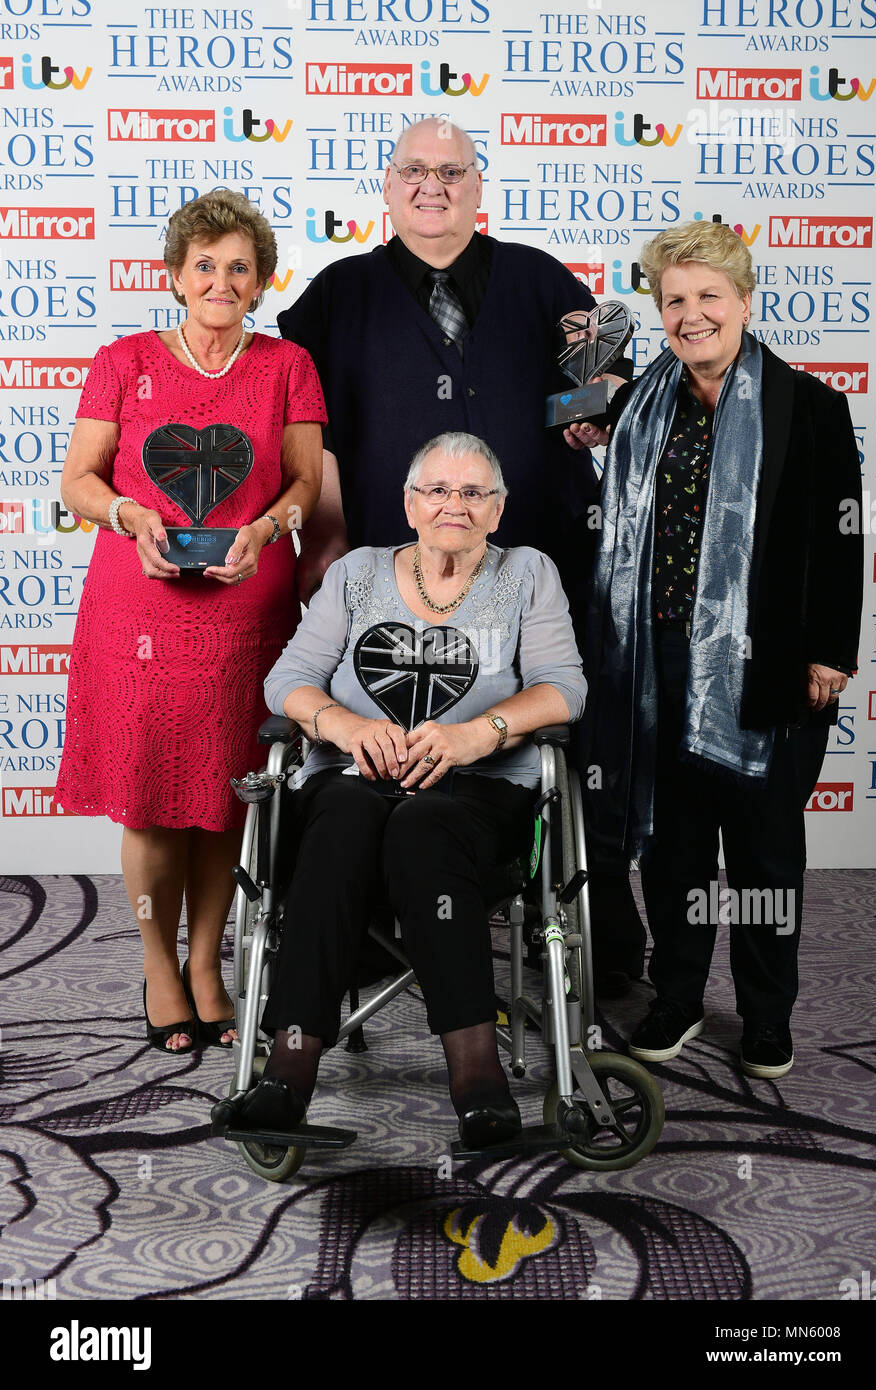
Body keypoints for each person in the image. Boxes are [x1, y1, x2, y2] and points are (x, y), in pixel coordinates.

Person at [278, 115, 645, 991]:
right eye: (413, 169)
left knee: (562, 737)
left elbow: (604, 386)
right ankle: (370, 927)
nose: (431, 185)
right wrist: (325, 535)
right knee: (386, 748)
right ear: (387, 185)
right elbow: (310, 436)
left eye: (452, 171)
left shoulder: (540, 279)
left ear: (480, 187)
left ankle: (602, 943)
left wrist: (598, 409)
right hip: (393, 580)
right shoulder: (335, 295)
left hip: (540, 562)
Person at [230, 432, 587, 1146]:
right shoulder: (358, 573)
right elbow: (287, 681)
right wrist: (344, 725)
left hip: (476, 794)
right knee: (343, 816)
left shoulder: (526, 573)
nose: (452, 505)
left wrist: (476, 734)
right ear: (408, 503)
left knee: (421, 826)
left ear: (497, 510)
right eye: (436, 490)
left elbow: (563, 690)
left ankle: (477, 1078)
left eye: (472, 493)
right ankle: (287, 1068)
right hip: (352, 782)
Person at [585, 220, 863, 1079]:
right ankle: (675, 995)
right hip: (654, 664)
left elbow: (840, 537)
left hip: (769, 665)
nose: (692, 314)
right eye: (675, 300)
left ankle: (766, 1012)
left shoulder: (808, 406)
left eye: (709, 296)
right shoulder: (634, 407)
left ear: (744, 300)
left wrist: (829, 654)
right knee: (673, 844)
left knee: (764, 849)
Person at [55, 189, 325, 1054]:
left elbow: (303, 488)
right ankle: (158, 965)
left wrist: (263, 528)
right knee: (147, 802)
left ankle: (206, 963)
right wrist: (130, 517)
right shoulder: (121, 360)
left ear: (261, 283)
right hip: (137, 608)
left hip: (247, 604)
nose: (220, 280)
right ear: (175, 276)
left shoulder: (289, 366)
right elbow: (79, 483)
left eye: (238, 267)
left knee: (225, 799)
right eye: (204, 264)